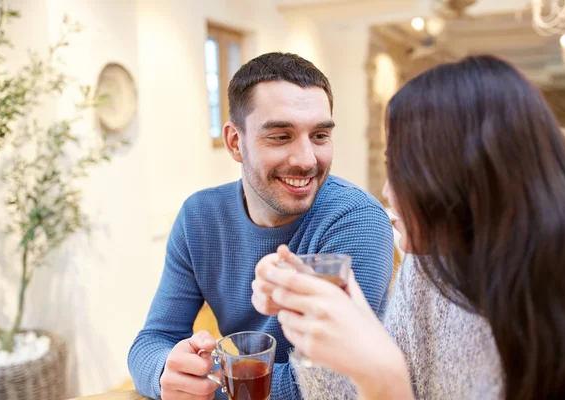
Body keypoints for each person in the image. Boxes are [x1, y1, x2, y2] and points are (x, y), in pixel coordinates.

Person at [253, 55, 565, 399]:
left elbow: (389, 381)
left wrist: (384, 380)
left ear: (461, 176)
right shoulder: (429, 263)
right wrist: (333, 322)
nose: (387, 192)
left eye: (400, 170)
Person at [127, 52, 395, 400]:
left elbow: (332, 381)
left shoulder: (357, 220)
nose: (306, 160)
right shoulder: (198, 217)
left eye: (319, 135)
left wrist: (211, 381)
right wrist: (167, 371)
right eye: (281, 136)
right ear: (235, 142)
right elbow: (151, 342)